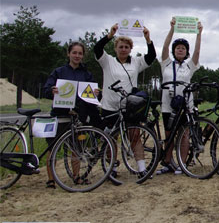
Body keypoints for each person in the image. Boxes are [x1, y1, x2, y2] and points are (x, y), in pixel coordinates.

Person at [94, 23, 156, 177]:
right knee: (111, 139)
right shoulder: (107, 61)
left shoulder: (136, 62)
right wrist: (110, 35)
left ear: (130, 49)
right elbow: (97, 49)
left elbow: (151, 57)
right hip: (110, 105)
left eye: (126, 47)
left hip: (130, 107)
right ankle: (112, 169)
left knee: (134, 136)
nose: (123, 49)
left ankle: (142, 169)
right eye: (120, 47)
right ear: (116, 48)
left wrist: (148, 39)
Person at [42, 42, 101, 189]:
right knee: (53, 148)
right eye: (74, 52)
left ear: (83, 56)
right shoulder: (59, 72)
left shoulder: (86, 74)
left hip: (77, 115)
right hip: (60, 114)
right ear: (68, 54)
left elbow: (92, 95)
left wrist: (96, 93)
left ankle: (76, 177)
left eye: (80, 53)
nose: (77, 56)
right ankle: (51, 179)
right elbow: (46, 90)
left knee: (77, 148)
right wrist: (52, 91)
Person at [156, 18, 202, 175]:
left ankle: (182, 164)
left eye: (183, 48)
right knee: (169, 135)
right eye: (178, 48)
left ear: (186, 51)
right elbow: (164, 46)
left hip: (185, 105)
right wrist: (172, 29)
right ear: (174, 51)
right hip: (168, 104)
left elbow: (197, 52)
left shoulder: (190, 65)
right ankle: (168, 163)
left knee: (184, 135)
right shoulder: (166, 63)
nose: (180, 50)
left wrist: (199, 33)